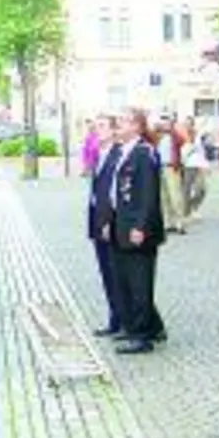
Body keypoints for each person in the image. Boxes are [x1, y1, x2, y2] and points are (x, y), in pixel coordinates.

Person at [109, 109, 168, 354]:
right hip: (121, 224)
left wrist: (140, 227)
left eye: (122, 121)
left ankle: (142, 337)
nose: (117, 126)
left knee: (140, 283)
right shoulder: (125, 152)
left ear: (136, 126)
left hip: (137, 228)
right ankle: (152, 327)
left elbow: (148, 195)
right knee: (126, 280)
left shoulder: (144, 154)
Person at [86, 115, 126, 337]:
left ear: (113, 131)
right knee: (106, 274)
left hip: (110, 224)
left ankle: (123, 320)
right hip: (97, 221)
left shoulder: (118, 155)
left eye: (102, 126)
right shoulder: (100, 155)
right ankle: (114, 318)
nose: (97, 130)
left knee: (116, 274)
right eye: (96, 126)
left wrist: (110, 222)